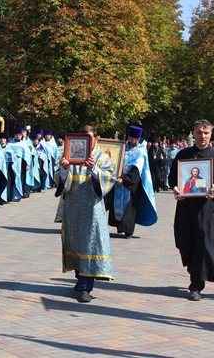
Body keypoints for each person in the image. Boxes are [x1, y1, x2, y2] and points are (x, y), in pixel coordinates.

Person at [169, 119, 214, 301]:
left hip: (207, 209)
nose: (202, 136)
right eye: (199, 132)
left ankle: (196, 284)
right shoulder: (183, 155)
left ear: (211, 134)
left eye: (206, 133)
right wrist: (175, 188)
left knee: (204, 245)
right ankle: (193, 271)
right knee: (186, 243)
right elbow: (172, 179)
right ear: (193, 133)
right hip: (186, 207)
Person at [54, 125, 115, 303]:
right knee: (76, 244)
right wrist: (64, 169)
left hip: (92, 210)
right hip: (72, 208)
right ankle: (80, 279)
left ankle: (86, 287)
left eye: (89, 137)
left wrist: (94, 169)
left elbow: (108, 179)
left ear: (96, 138)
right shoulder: (71, 155)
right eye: (83, 137)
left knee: (90, 244)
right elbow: (61, 180)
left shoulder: (102, 158)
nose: (86, 141)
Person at [108, 125, 157, 239]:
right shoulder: (123, 147)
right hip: (118, 180)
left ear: (138, 140)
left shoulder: (140, 151)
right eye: (129, 138)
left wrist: (124, 179)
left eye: (132, 139)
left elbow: (137, 170)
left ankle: (128, 230)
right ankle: (119, 226)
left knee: (130, 206)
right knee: (117, 203)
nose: (130, 141)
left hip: (131, 184)